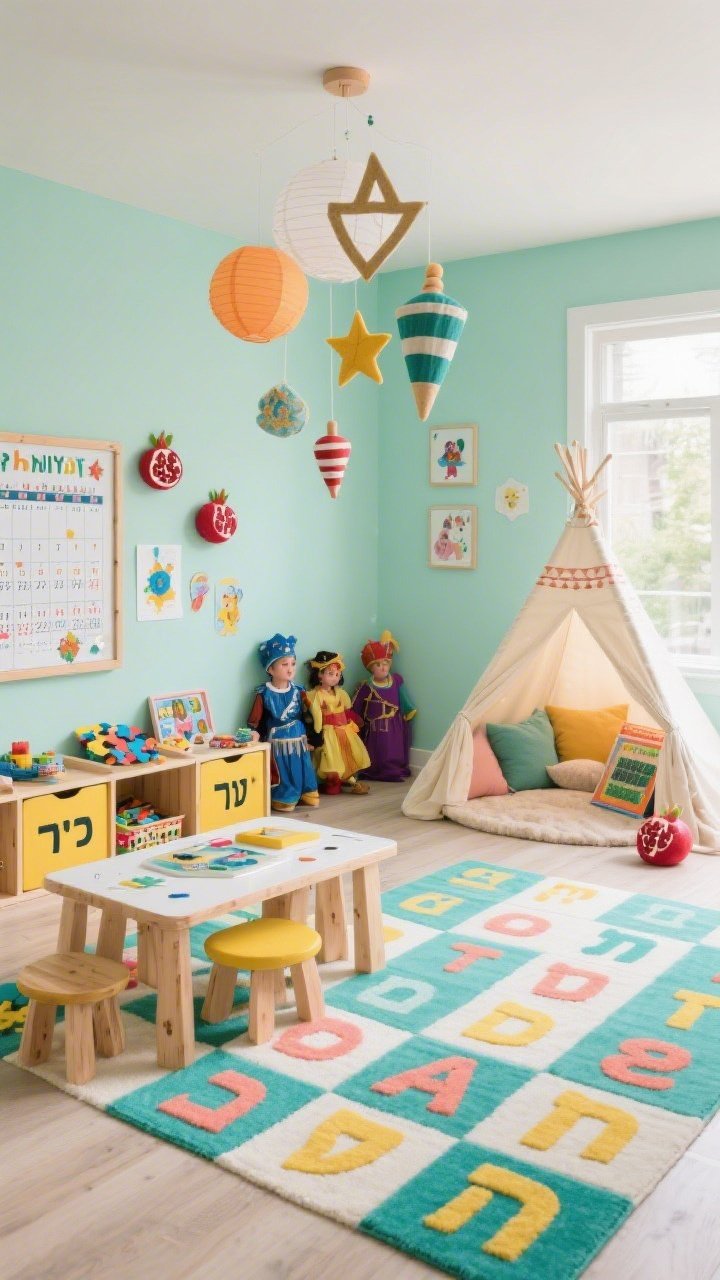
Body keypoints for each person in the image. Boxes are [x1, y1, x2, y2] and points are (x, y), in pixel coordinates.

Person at [247, 633, 319, 811]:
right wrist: (254, 732)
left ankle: (306, 791)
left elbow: (307, 715)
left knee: (302, 766)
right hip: (278, 742)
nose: (290, 669)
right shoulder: (264, 693)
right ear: (271, 669)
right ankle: (285, 795)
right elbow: (256, 718)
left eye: (293, 664)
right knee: (284, 770)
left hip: (299, 738)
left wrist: (313, 738)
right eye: (284, 664)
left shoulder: (299, 691)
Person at [351, 630, 417, 781]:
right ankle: (376, 769)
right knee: (377, 749)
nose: (383, 667)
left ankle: (393, 768)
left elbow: (404, 698)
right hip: (375, 727)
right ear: (371, 668)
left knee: (394, 748)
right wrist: (354, 720)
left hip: (394, 724)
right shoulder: (367, 686)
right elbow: (357, 706)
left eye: (386, 663)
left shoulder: (396, 681)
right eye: (378, 665)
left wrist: (409, 710)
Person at [305, 651, 370, 795]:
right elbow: (317, 717)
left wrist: (355, 720)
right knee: (331, 758)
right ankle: (332, 782)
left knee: (345, 755)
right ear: (319, 675)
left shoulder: (341, 693)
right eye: (330, 674)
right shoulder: (316, 695)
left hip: (344, 730)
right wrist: (316, 733)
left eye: (337, 674)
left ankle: (348, 779)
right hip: (329, 732)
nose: (335, 677)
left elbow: (347, 711)